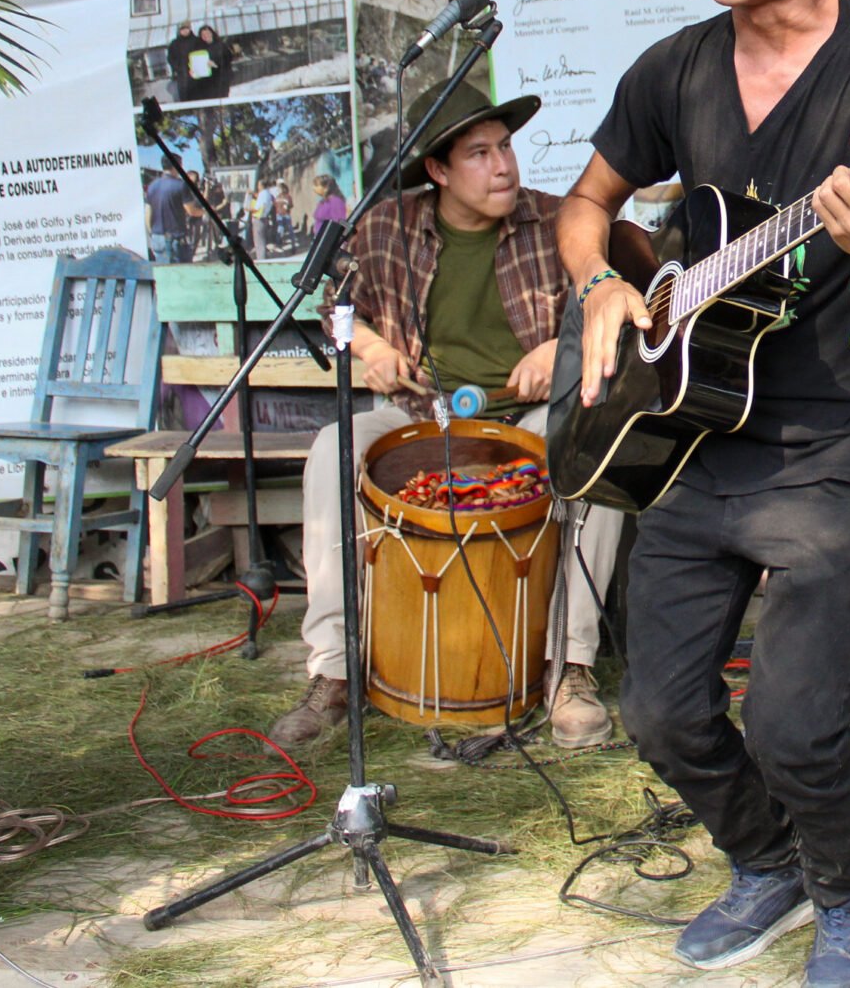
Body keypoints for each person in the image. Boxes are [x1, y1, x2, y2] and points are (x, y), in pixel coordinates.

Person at [558, 0, 850, 988]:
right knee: (660, 711)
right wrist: (595, 283)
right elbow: (585, 206)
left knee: (791, 718)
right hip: (689, 429)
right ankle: (766, 858)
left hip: (837, 434)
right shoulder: (670, 67)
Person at [266, 79, 624, 751]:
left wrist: (559, 347)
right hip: (420, 415)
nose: (504, 166)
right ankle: (335, 671)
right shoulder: (385, 227)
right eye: (480, 153)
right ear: (437, 169)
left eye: (506, 147)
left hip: (527, 417)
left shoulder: (555, 221)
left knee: (593, 451)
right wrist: (370, 345)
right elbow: (336, 311)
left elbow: (613, 297)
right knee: (331, 447)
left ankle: (569, 669)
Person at [144, 168, 189, 264]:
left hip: (157, 237)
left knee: (163, 273)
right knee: (181, 274)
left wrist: (152, 233)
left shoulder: (152, 186)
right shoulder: (180, 185)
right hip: (175, 239)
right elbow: (190, 210)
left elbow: (148, 212)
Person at [187, 24, 233, 99]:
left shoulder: (220, 45)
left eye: (207, 33)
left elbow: (228, 58)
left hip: (220, 79)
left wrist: (216, 64)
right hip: (206, 82)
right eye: (203, 34)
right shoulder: (198, 47)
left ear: (212, 33)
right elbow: (193, 62)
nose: (206, 36)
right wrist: (192, 70)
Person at [167, 23, 201, 103]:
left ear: (190, 29)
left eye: (187, 28)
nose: (185, 31)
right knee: (185, 96)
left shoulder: (197, 41)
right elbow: (170, 58)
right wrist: (177, 68)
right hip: (182, 75)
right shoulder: (174, 43)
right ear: (179, 31)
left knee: (199, 95)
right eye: (182, 29)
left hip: (197, 73)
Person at [310, 172, 348, 236]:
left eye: (316, 185)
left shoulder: (335, 201)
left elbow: (341, 222)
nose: (313, 188)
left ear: (326, 188)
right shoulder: (323, 202)